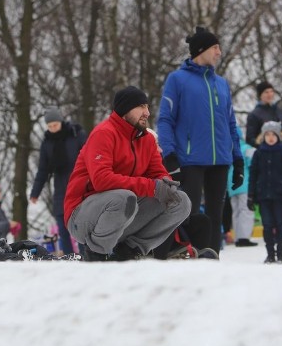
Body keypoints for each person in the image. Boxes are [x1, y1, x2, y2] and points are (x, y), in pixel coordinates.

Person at [65, 86, 191, 261]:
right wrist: (152, 187)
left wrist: (166, 185)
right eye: (141, 106)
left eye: (147, 107)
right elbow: (101, 180)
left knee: (180, 201)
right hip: (82, 216)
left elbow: (157, 173)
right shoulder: (103, 134)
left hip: (124, 212)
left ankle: (130, 250)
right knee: (124, 198)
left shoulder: (146, 140)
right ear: (125, 110)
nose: (147, 112)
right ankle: (97, 254)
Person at [157, 27, 243, 254]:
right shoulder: (177, 80)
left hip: (221, 160)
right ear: (201, 50)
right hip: (190, 160)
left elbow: (231, 123)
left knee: (216, 216)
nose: (219, 52)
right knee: (189, 213)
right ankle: (188, 257)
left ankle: (212, 259)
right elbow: (165, 119)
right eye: (215, 47)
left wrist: (238, 159)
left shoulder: (222, 84)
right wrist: (169, 153)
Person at [29, 107, 86, 255]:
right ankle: (68, 257)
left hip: (80, 184)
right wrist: (35, 192)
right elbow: (43, 170)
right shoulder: (47, 143)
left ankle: (86, 257)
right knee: (62, 225)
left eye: (55, 125)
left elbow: (89, 156)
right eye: (50, 126)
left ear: (61, 122)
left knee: (81, 223)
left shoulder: (76, 134)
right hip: (61, 188)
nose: (53, 128)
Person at [247, 121, 282, 263]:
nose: (270, 137)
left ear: (278, 136)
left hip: (280, 195)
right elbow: (253, 175)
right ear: (263, 136)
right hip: (263, 195)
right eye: (267, 134)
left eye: (273, 134)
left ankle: (280, 253)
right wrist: (251, 195)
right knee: (267, 225)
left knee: (280, 224)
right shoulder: (258, 153)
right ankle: (270, 254)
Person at [227, 128, 257, 247]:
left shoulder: (228, 150)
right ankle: (244, 238)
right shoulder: (246, 149)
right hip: (245, 184)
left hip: (232, 187)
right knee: (246, 210)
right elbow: (254, 166)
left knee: (236, 212)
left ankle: (238, 237)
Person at [245, 81, 282, 147]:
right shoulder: (254, 115)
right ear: (260, 95)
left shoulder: (279, 111)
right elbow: (250, 139)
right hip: (265, 152)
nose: (270, 94)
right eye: (266, 92)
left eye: (271, 91)